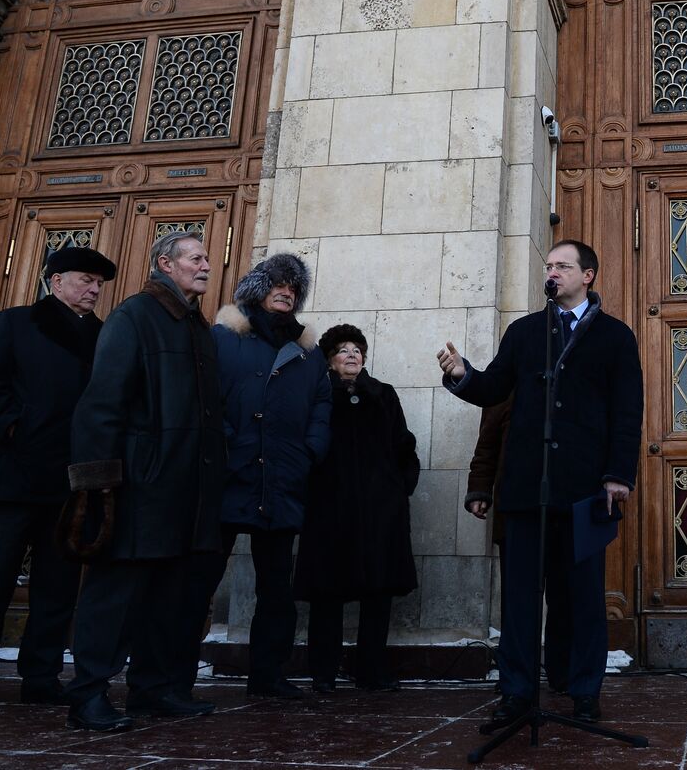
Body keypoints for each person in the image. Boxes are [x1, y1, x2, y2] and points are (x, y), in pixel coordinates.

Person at [438, 240, 642, 725]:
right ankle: (517, 691)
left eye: (562, 266)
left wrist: (617, 475)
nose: (552, 273)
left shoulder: (616, 336)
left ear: (587, 275)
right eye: (548, 266)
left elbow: (627, 411)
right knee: (521, 599)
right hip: (528, 488)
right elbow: (493, 389)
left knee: (583, 598)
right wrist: (463, 375)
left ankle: (583, 688)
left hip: (587, 490)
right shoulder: (527, 331)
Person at [64, 232, 225, 731]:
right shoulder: (134, 316)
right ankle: (88, 695)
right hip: (138, 488)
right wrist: (99, 488)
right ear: (164, 263)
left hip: (186, 491)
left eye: (207, 259)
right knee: (114, 597)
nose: (205, 266)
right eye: (195, 258)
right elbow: (101, 406)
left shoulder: (196, 324)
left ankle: (154, 690)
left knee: (167, 599)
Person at [0, 247, 115, 706]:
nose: (94, 289)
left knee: (56, 588)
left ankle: (41, 677)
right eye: (85, 279)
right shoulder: (16, 322)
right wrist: (13, 426)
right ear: (54, 280)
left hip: (70, 483)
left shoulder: (103, 335)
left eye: (99, 283)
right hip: (14, 478)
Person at [207, 252, 330, 699]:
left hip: (282, 479)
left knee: (277, 590)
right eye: (277, 283)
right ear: (259, 288)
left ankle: (268, 677)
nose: (286, 292)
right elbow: (206, 398)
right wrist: (221, 445)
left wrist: (309, 451)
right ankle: (171, 675)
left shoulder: (308, 351)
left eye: (293, 288)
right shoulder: (223, 338)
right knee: (200, 577)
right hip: (228, 476)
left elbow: (321, 404)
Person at [294, 324, 420, 694]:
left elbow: (403, 444)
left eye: (357, 350)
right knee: (327, 594)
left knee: (378, 592)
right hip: (330, 509)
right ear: (329, 359)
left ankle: (372, 670)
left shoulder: (382, 394)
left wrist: (399, 487)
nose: (351, 355)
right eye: (343, 350)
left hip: (380, 510)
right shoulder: (319, 394)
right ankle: (323, 672)